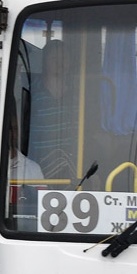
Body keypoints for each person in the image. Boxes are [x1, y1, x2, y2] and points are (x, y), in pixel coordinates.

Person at [28, 39, 80, 180]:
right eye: (54, 58)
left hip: (74, 166)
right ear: (45, 62)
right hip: (39, 165)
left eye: (64, 58)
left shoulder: (78, 93)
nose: (60, 63)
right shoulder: (32, 91)